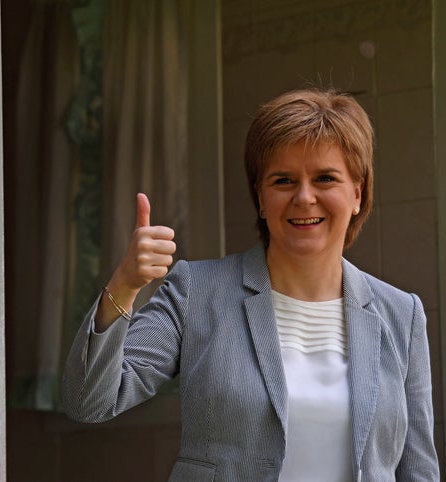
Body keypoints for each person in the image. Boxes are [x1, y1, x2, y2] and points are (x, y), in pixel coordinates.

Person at [62, 88, 440, 481]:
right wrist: (125, 284)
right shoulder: (196, 291)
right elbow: (89, 401)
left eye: (325, 178)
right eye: (283, 181)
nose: (305, 197)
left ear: (357, 193)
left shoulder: (401, 314)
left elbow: (418, 470)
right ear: (260, 197)